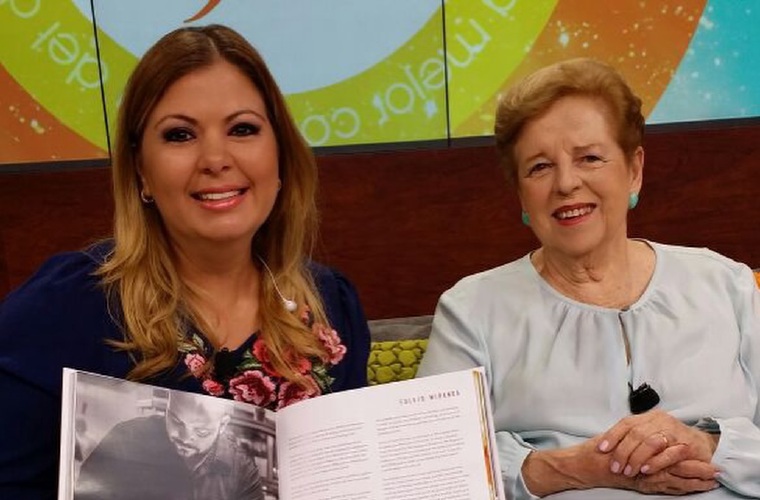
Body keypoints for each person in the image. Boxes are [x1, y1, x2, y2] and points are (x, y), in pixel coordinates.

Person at [0, 24, 370, 499]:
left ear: (280, 154)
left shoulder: (331, 305)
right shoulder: (64, 307)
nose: (215, 158)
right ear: (141, 170)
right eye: (180, 135)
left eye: (242, 129)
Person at [417, 58, 760, 499]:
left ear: (634, 170)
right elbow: (431, 465)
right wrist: (572, 468)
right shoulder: (472, 312)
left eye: (590, 158)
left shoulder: (725, 284)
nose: (566, 183)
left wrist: (711, 445)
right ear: (521, 194)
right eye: (539, 167)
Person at [74, 391, 263, 500]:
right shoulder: (126, 438)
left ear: (222, 425)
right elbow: (86, 493)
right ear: (167, 408)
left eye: (201, 432)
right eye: (176, 421)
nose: (185, 438)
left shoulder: (242, 469)